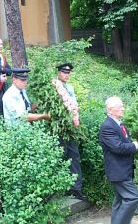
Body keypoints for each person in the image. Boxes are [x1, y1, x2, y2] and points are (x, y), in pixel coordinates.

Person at [99, 96, 138, 224]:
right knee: (132, 197)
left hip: (124, 170)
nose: (123, 108)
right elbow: (118, 147)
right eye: (120, 107)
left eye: (123, 106)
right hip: (118, 172)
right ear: (110, 110)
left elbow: (124, 141)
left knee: (120, 200)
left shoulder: (119, 124)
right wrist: (134, 146)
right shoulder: (107, 126)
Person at [53, 63, 85, 200]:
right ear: (59, 73)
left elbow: (74, 106)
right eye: (64, 72)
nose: (66, 75)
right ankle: (60, 189)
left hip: (71, 127)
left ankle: (76, 188)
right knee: (60, 155)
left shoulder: (70, 87)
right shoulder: (54, 86)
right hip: (59, 127)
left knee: (74, 155)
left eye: (68, 73)